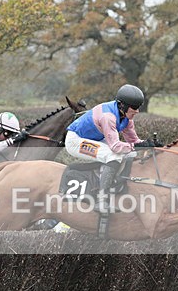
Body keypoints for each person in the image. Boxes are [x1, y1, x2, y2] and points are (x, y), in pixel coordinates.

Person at [65, 84, 160, 213]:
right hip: (75, 141)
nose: (137, 111)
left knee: (130, 155)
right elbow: (116, 147)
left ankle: (115, 184)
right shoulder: (108, 117)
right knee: (113, 155)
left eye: (139, 107)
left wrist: (148, 144)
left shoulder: (126, 117)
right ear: (122, 105)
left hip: (94, 139)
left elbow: (133, 142)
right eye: (134, 107)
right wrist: (137, 146)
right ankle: (101, 200)